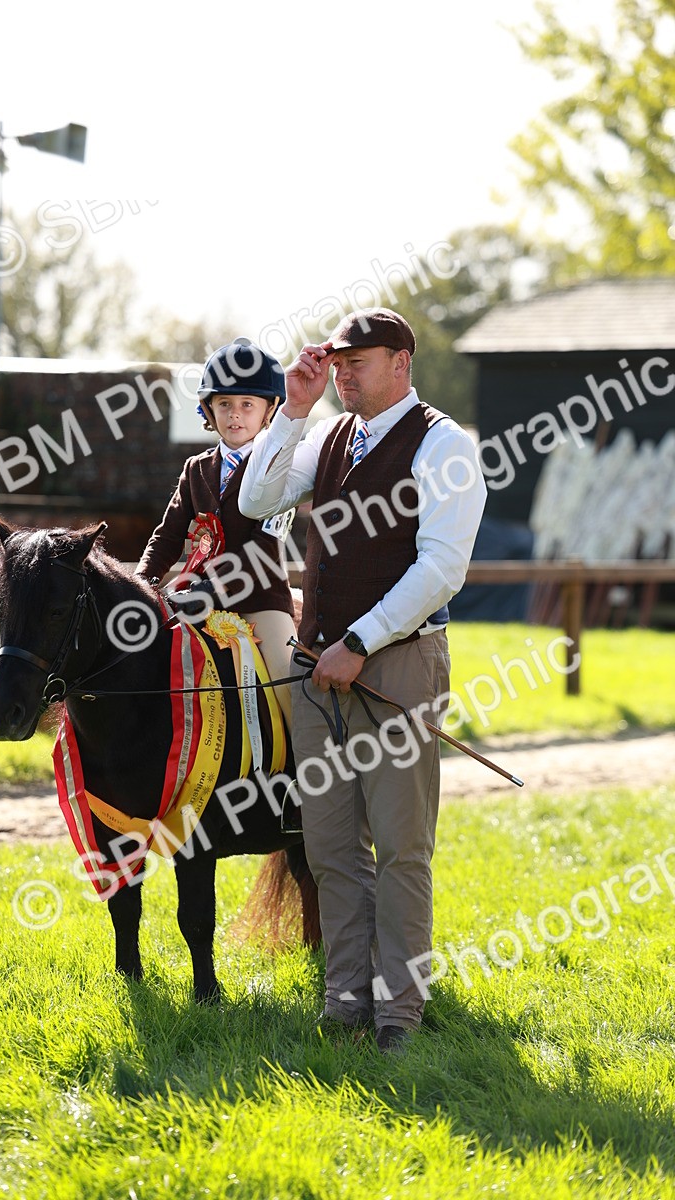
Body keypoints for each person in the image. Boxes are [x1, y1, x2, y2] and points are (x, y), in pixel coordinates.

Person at [239, 308, 487, 1052]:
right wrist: (292, 410)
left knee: (402, 846)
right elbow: (255, 501)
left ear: (401, 362)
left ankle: (398, 1014)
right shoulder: (326, 436)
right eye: (337, 362)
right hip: (318, 668)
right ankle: (344, 1003)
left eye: (358, 361)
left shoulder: (445, 443)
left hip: (399, 664)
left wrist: (358, 641)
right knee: (331, 847)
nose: (343, 373)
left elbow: (441, 568)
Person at [136, 338, 297, 726]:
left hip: (259, 600)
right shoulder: (196, 469)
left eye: (247, 405)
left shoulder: (279, 469)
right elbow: (167, 536)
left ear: (270, 409)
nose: (234, 414)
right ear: (209, 408)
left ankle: (311, 755)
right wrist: (141, 584)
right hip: (196, 596)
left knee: (290, 690)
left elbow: (264, 548)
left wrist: (210, 591)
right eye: (224, 404)